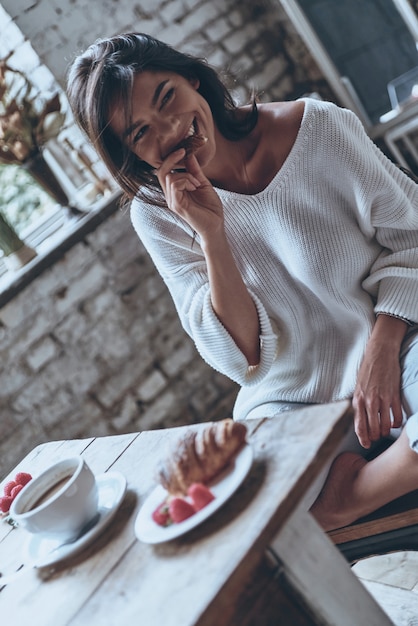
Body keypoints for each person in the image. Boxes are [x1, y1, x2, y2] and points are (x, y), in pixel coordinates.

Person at [67, 32, 418, 532]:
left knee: (293, 516)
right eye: (140, 132)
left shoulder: (318, 127)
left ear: (193, 79)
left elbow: (412, 236)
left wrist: (382, 351)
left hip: (398, 343)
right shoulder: (158, 218)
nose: (169, 130)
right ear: (131, 155)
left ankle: (342, 502)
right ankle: (358, 493)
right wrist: (211, 232)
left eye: (166, 97)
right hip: (290, 395)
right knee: (243, 513)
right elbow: (243, 357)